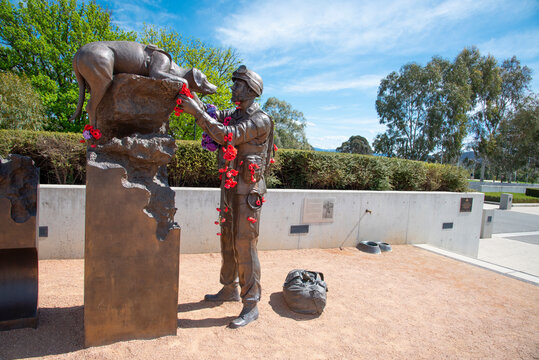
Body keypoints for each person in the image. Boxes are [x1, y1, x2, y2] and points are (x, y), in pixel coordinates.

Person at [178, 65, 273, 328]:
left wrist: (196, 112)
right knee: (227, 238)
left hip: (248, 190)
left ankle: (251, 303)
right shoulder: (235, 113)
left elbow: (227, 135)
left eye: (238, 84)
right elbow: (214, 116)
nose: (232, 88)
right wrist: (188, 94)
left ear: (252, 90)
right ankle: (229, 288)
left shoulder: (260, 120)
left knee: (244, 243)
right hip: (230, 186)